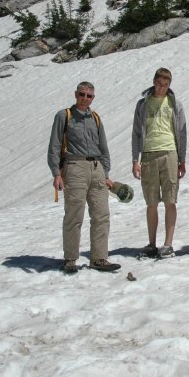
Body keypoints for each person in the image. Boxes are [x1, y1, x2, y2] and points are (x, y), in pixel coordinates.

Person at [48, 82, 120, 274]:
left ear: (93, 98)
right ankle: (70, 259)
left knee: (101, 214)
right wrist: (56, 173)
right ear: (75, 94)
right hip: (74, 166)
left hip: (96, 166)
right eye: (82, 94)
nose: (85, 98)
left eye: (89, 96)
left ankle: (99, 258)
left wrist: (105, 173)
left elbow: (103, 146)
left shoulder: (95, 118)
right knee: (74, 214)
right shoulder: (64, 116)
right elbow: (55, 146)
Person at [131, 67, 187, 259]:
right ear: (154, 81)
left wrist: (182, 159)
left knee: (170, 199)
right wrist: (134, 160)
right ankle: (152, 243)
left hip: (170, 151)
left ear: (169, 85)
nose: (161, 87)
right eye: (158, 83)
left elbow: (181, 132)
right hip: (148, 153)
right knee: (151, 202)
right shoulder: (142, 104)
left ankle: (168, 244)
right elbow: (137, 132)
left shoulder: (174, 104)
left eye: (165, 84)